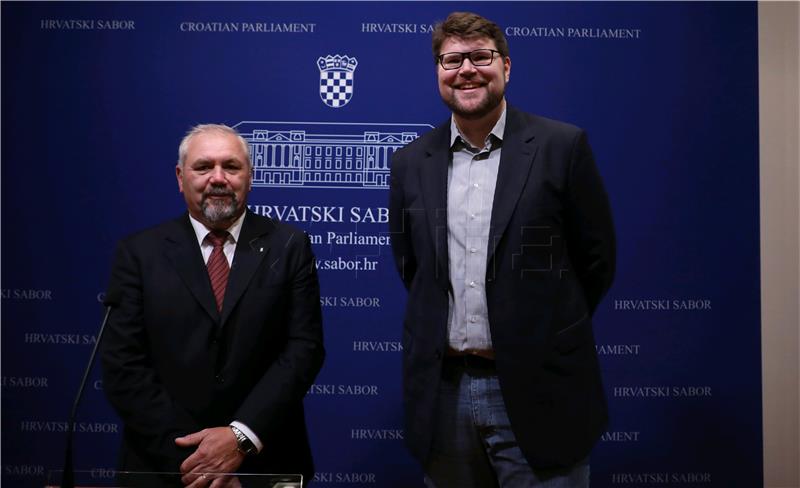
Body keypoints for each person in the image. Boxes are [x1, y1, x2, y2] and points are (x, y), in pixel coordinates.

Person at [389, 12, 615, 488]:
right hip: (444, 394)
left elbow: (595, 259)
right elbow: (412, 265)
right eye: (452, 59)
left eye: (480, 57)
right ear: (438, 72)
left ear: (506, 67)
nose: (466, 69)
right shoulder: (411, 161)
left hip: (540, 388)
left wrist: (543, 328)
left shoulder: (561, 146)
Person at [101, 124, 324, 487]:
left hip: (262, 463)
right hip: (164, 465)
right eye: (204, 167)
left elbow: (304, 350)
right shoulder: (139, 254)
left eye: (231, 167)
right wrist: (200, 463)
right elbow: (123, 367)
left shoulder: (289, 245)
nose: (218, 178)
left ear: (250, 177)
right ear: (180, 177)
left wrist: (239, 438)